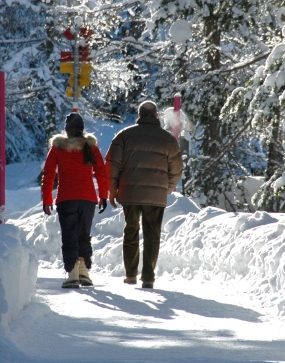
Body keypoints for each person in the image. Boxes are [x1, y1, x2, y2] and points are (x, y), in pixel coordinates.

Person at [105, 100, 183, 289]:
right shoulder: (168, 139)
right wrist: (164, 188)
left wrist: (113, 189)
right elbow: (177, 169)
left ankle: (130, 274)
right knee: (152, 234)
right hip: (155, 195)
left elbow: (112, 164)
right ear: (156, 116)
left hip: (129, 191)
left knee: (131, 231)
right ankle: (148, 277)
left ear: (139, 116)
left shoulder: (124, 135)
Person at [41, 112, 109, 289]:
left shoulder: (57, 148)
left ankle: (72, 274)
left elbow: (48, 175)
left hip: (66, 198)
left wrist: (47, 199)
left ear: (67, 130)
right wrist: (103, 196)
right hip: (87, 199)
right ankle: (84, 272)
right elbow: (101, 172)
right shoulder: (91, 147)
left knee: (69, 235)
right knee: (83, 235)